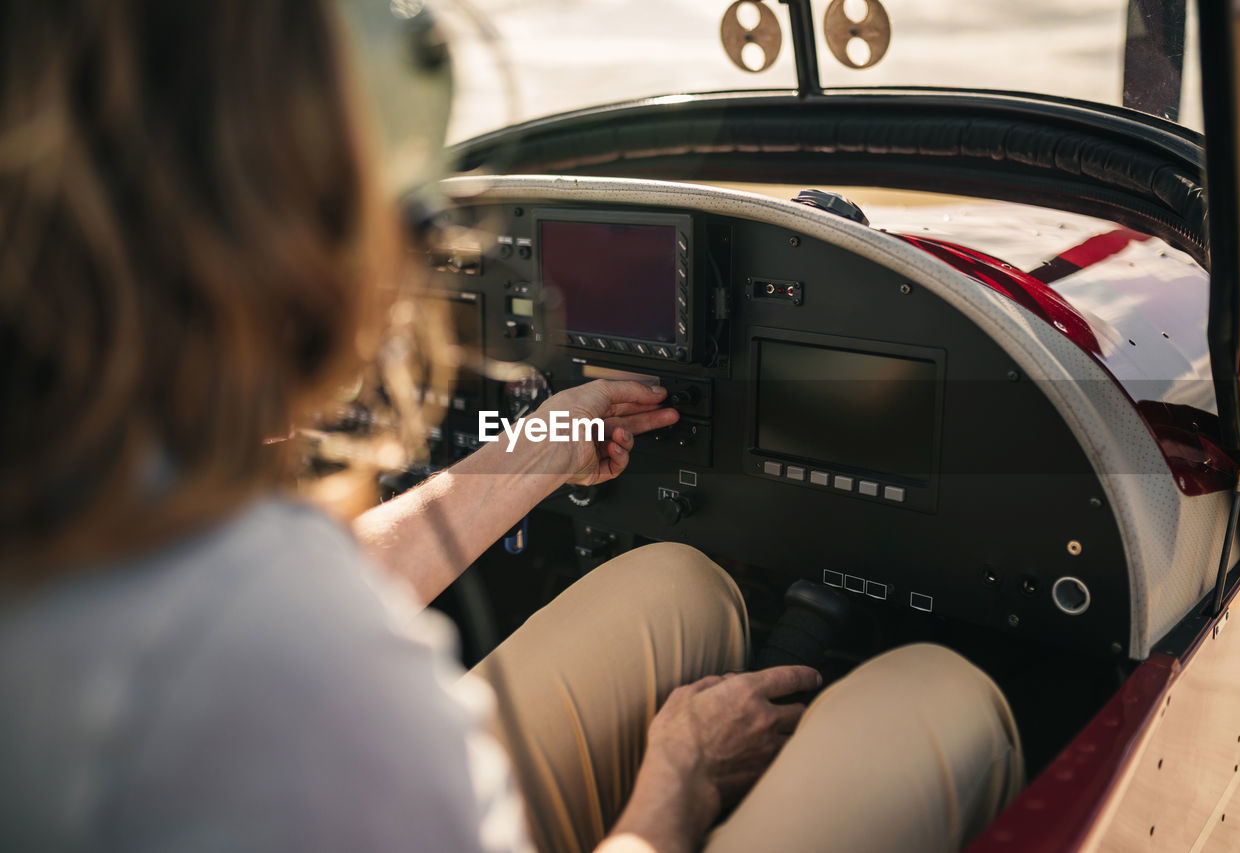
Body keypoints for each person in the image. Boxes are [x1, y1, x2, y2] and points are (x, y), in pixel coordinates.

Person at [0, 2, 1023, 851]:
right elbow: (278, 625)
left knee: (676, 580)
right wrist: (675, 786)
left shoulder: (83, 523)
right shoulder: (293, 652)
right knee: (939, 697)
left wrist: (540, 440)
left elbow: (298, 588)